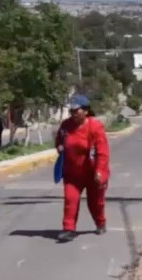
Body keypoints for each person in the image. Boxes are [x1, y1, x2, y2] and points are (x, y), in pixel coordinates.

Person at [55, 94, 110, 242]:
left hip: (93, 172)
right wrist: (60, 147)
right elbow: (59, 141)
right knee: (70, 199)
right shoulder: (66, 126)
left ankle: (100, 222)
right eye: (71, 111)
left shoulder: (95, 126)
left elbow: (102, 152)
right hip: (73, 173)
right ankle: (69, 228)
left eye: (76, 110)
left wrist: (99, 170)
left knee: (95, 202)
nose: (73, 114)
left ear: (85, 111)